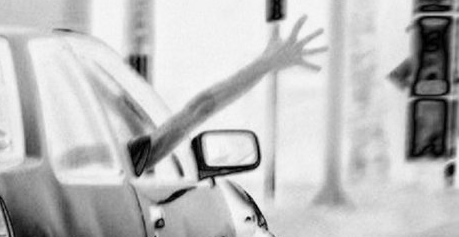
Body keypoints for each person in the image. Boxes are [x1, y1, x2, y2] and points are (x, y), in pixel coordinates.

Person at [128, 15, 327, 175]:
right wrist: (264, 65)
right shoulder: (127, 161)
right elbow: (200, 108)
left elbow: (200, 108)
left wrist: (264, 64)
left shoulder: (120, 161)